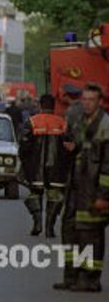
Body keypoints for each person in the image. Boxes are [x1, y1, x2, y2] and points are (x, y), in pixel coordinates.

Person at [54, 83, 109, 292]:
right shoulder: (81, 122)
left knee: (90, 235)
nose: (86, 103)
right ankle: (71, 276)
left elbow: (107, 165)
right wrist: (72, 148)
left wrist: (104, 196)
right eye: (84, 99)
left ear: (100, 102)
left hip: (93, 190)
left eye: (91, 100)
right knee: (69, 231)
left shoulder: (105, 126)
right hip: (76, 188)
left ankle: (90, 279)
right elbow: (79, 151)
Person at [20, 94, 69, 237]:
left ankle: (37, 222)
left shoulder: (32, 122)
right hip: (57, 168)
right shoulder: (62, 123)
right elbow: (69, 145)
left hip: (35, 169)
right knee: (55, 196)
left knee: (35, 194)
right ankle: (50, 227)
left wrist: (24, 162)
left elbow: (24, 145)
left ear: (40, 105)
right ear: (53, 106)